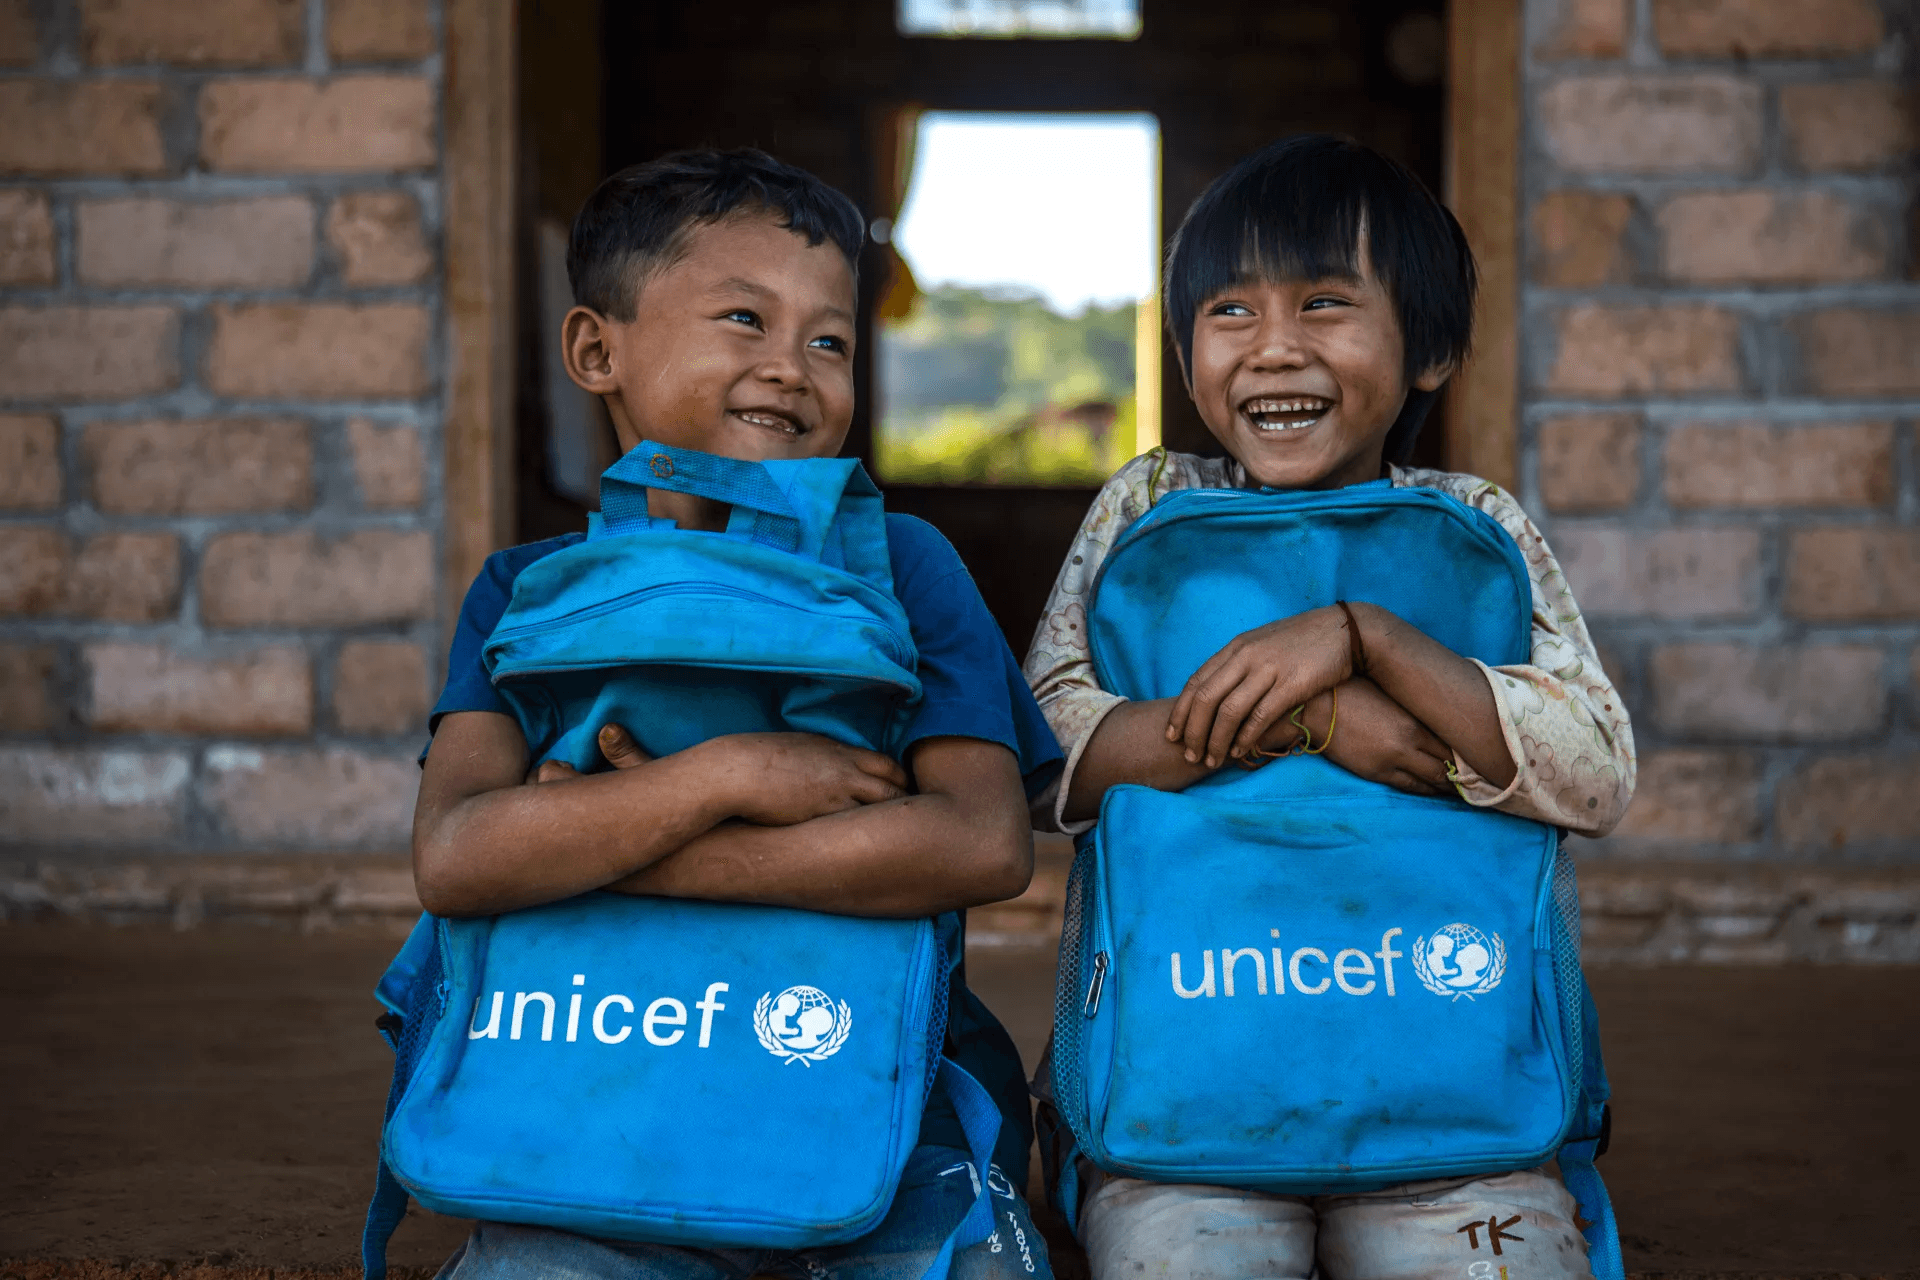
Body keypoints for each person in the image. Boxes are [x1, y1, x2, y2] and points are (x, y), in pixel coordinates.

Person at [414, 148, 1060, 1280]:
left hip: (873, 1093)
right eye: (745, 320)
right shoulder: (526, 593)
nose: (790, 369)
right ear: (596, 351)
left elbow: (981, 841)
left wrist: (614, 841)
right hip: (593, 1083)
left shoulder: (903, 566)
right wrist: (732, 775)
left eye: (829, 342)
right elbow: (458, 854)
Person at [1024, 134, 1637, 1279]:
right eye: (1230, 312)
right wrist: (1314, 721)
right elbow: (1044, 755)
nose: (1274, 347)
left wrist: (1367, 637)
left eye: (1323, 303)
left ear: (1432, 348)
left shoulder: (1478, 527)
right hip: (1183, 1101)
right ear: (1185, 352)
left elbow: (1594, 768)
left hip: (1454, 1103)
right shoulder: (1146, 508)